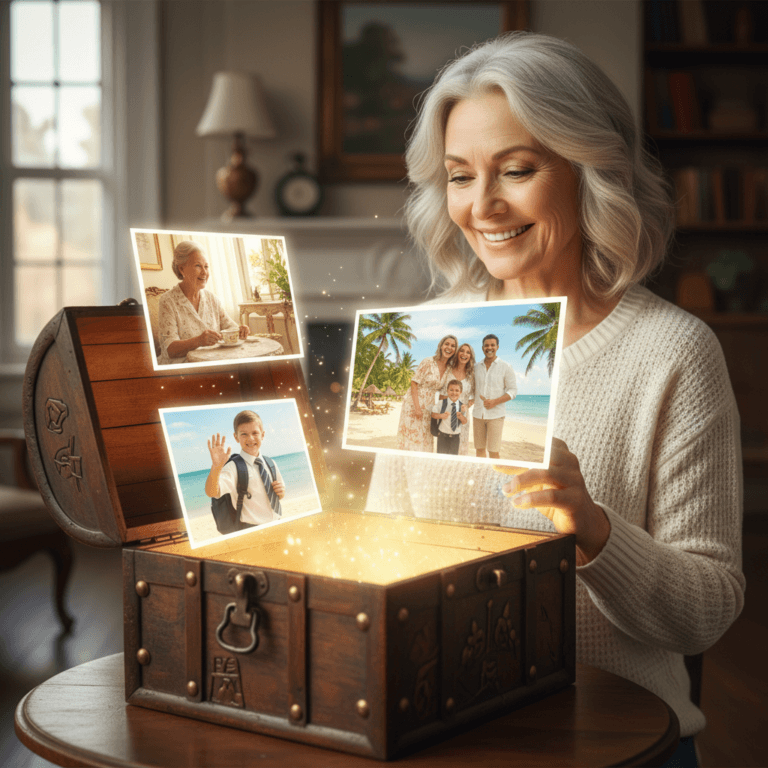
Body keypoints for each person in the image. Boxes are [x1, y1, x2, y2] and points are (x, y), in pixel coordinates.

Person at [366, 32, 745, 764]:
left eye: (516, 169)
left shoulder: (673, 352)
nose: (483, 206)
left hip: (620, 741)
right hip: (445, 736)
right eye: (459, 176)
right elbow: (383, 559)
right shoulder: (419, 339)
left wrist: (595, 532)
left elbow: (708, 614)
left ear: (586, 169)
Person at [157, 240, 250, 365]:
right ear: (182, 269)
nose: (204, 272)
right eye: (198, 266)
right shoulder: (168, 301)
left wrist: (240, 330)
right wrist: (198, 341)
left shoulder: (212, 299)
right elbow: (169, 349)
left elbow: (230, 327)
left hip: (213, 361)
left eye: (206, 266)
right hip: (182, 365)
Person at [205, 410, 285, 529]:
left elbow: (279, 495)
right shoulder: (233, 467)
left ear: (262, 435)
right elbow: (212, 492)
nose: (250, 438)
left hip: (278, 521)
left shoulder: (270, 463)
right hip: (252, 527)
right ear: (236, 437)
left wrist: (281, 493)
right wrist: (216, 468)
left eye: (255, 433)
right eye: (244, 434)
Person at [396, 334, 457, 452]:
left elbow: (443, 394)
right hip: (414, 403)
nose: (449, 347)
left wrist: (440, 413)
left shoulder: (449, 369)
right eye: (447, 344)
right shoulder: (428, 361)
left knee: (425, 437)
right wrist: (417, 408)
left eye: (453, 346)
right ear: (441, 346)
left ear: (455, 350)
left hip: (429, 406)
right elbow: (414, 383)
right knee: (412, 436)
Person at [473, 334, 517, 459]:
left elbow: (513, 390)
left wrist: (495, 402)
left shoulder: (506, 367)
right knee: (479, 451)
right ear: (482, 348)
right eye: (486, 345)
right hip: (477, 414)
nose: (489, 348)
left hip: (496, 416)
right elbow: (471, 388)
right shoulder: (476, 367)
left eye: (492, 345)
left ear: (497, 347)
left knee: (493, 452)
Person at [439, 342, 475, 455]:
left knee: (460, 448)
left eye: (468, 352)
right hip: (447, 413)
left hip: (462, 416)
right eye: (462, 351)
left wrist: (466, 406)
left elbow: (476, 395)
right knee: (444, 449)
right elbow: (441, 395)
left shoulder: (471, 374)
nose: (464, 354)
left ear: (470, 356)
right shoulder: (448, 370)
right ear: (457, 353)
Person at [432, 379, 468, 455]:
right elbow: (433, 414)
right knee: (441, 458)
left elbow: (464, 421)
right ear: (447, 391)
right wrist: (441, 416)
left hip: (455, 438)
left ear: (460, 392)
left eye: (457, 390)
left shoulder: (462, 406)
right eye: (451, 390)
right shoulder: (441, 403)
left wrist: (461, 415)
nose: (454, 392)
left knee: (453, 459)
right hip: (442, 436)